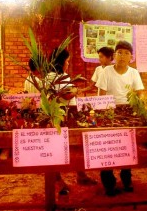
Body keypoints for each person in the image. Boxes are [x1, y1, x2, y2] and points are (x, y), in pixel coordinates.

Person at [96, 40, 144, 196]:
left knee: (126, 147)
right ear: (114, 55)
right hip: (109, 113)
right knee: (108, 148)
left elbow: (138, 94)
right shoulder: (106, 72)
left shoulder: (134, 73)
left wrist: (137, 109)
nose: (122, 56)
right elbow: (100, 95)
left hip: (128, 114)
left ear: (131, 57)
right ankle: (108, 182)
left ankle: (126, 177)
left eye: (126, 53)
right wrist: (103, 114)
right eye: (120, 52)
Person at [46, 48, 97, 195]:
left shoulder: (60, 75)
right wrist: (77, 90)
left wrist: (75, 89)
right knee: (60, 147)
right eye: (67, 61)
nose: (68, 64)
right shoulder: (53, 76)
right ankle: (58, 179)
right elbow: (66, 95)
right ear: (60, 62)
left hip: (69, 113)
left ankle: (80, 175)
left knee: (76, 146)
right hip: (62, 114)